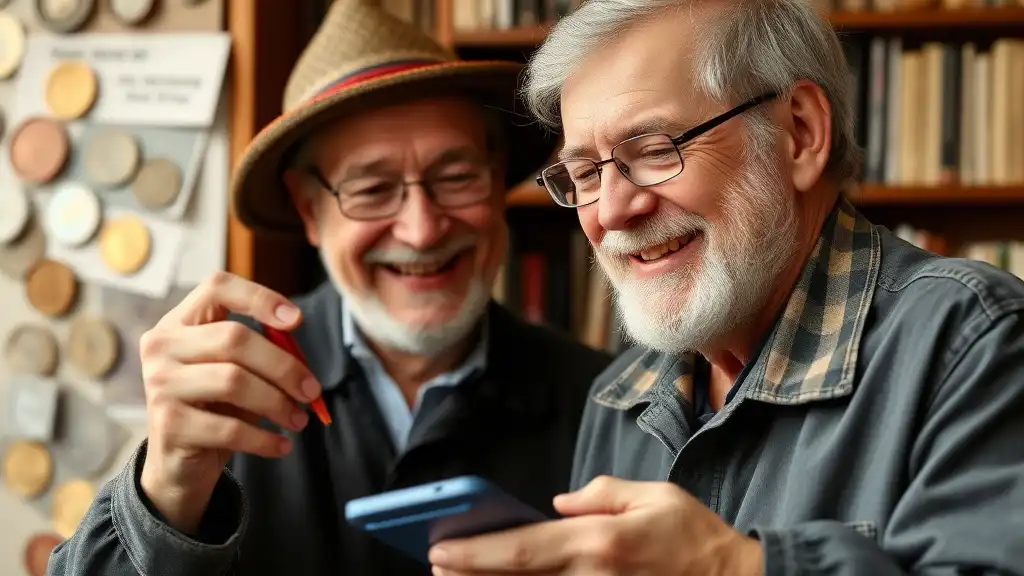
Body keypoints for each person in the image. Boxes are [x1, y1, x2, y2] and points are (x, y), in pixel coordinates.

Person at [426, 1, 1024, 575]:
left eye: (656, 149)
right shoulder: (618, 400)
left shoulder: (972, 341)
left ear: (800, 132)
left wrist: (731, 566)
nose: (610, 210)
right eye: (585, 173)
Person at [47, 2, 612, 575]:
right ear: (309, 210)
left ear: (495, 186)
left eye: (456, 176)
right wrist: (165, 489)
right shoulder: (222, 386)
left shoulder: (606, 401)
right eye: (371, 189)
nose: (421, 230)